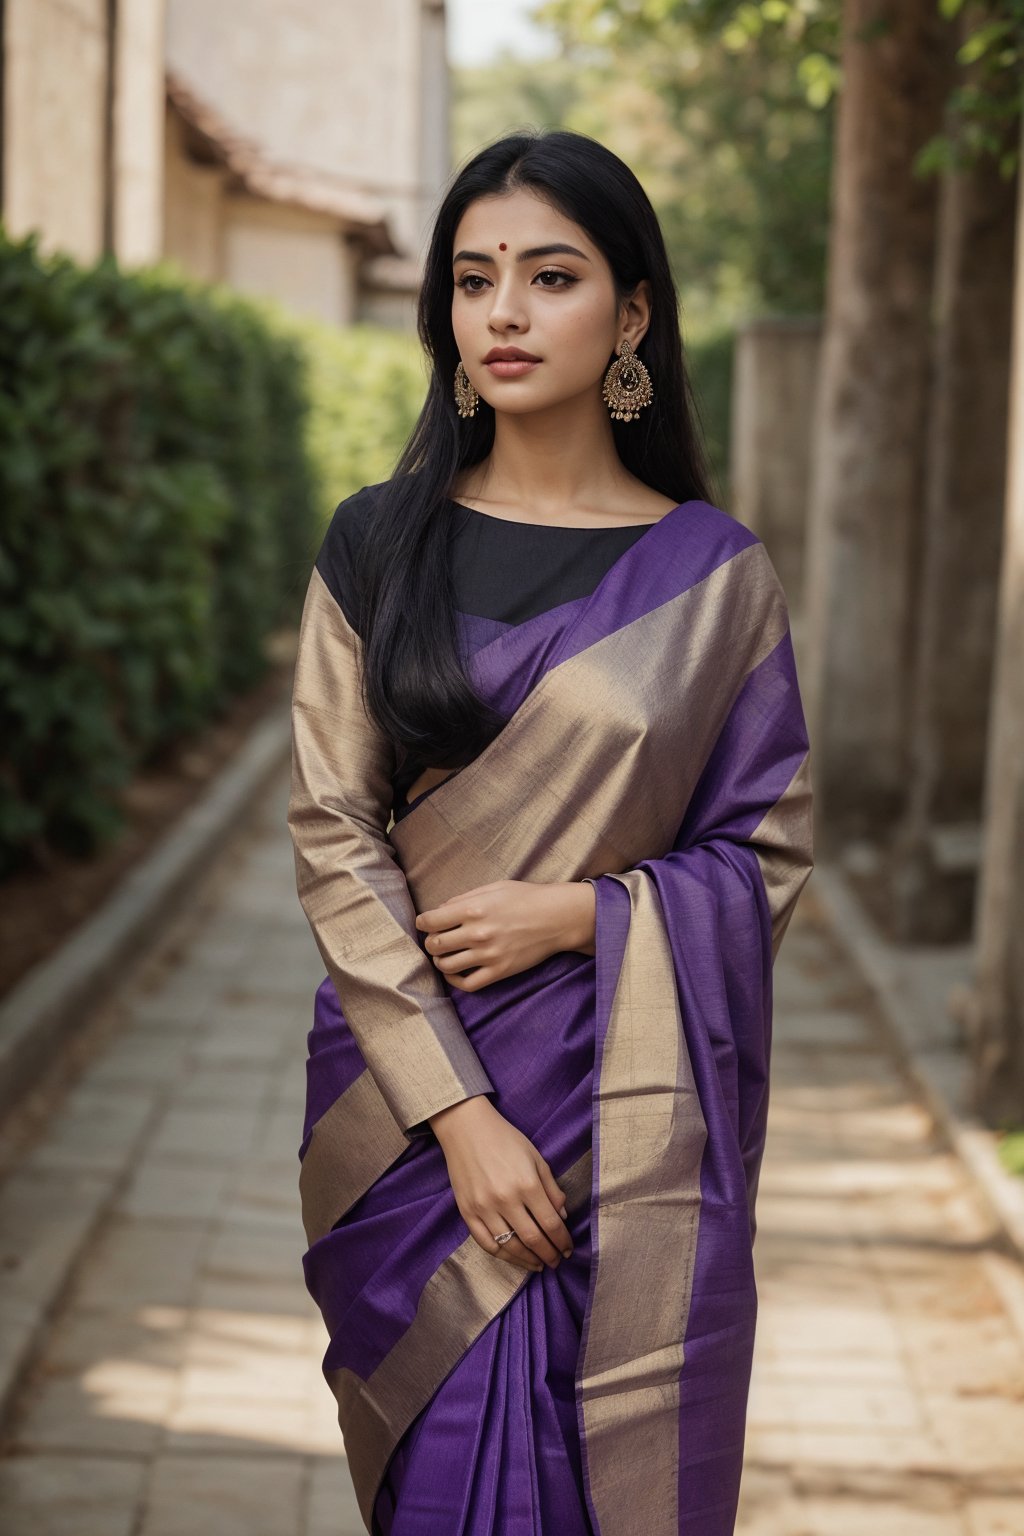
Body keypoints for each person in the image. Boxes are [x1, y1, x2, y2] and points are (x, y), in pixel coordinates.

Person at [287, 127, 814, 1536]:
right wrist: (457, 1117)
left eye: (551, 275)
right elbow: (333, 833)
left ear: (631, 313)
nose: (505, 312)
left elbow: (766, 849)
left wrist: (586, 914)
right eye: (473, 279)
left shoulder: (714, 576)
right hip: (405, 1116)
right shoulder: (376, 542)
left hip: (621, 1116)